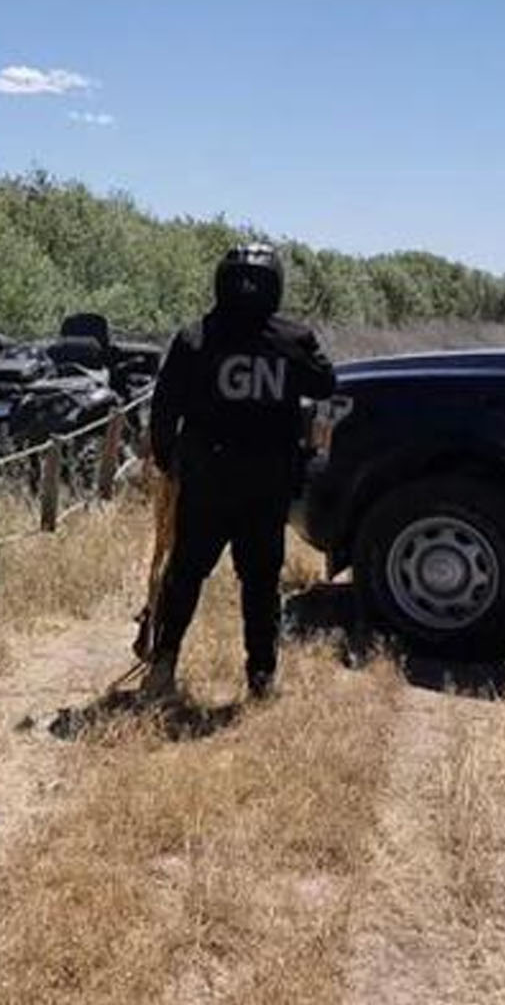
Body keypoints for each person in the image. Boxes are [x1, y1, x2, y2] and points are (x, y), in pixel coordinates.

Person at [139, 243, 335, 702]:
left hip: (207, 481)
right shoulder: (293, 339)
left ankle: (163, 666)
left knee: (184, 575)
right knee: (261, 585)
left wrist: (169, 463)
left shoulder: (194, 338)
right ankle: (261, 679)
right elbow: (325, 384)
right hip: (265, 485)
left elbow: (164, 409)